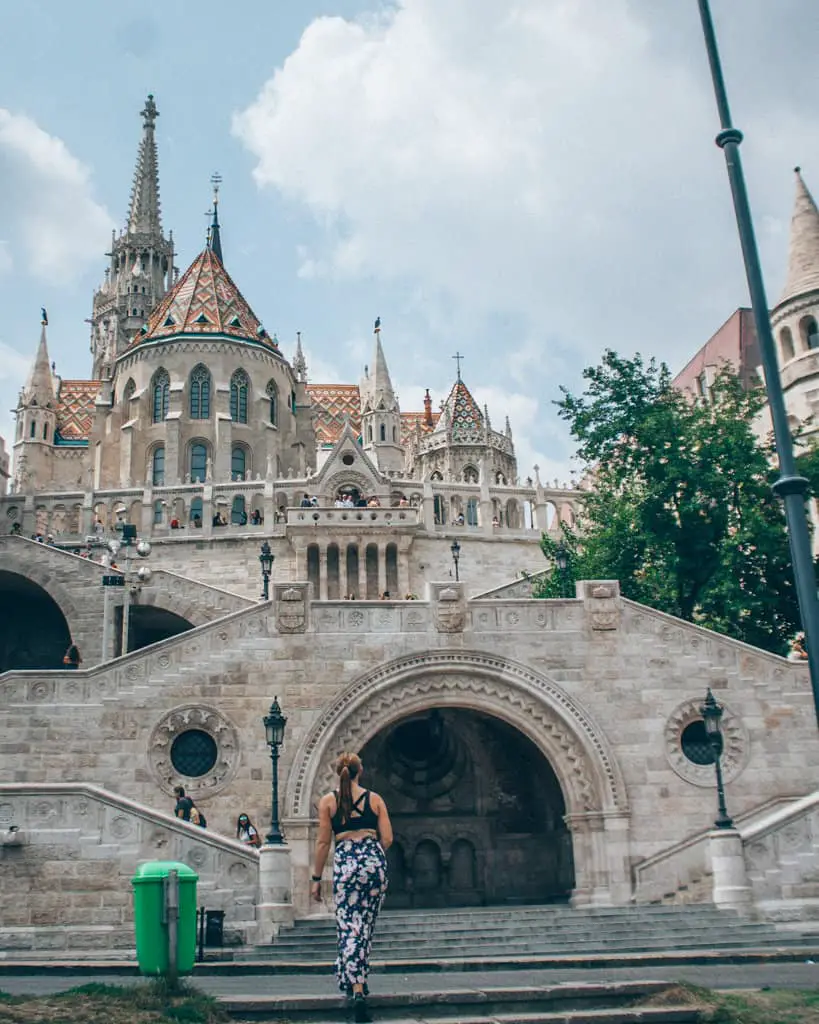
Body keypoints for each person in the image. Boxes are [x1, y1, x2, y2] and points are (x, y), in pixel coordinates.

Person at [312, 752, 392, 1022]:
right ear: (361, 771)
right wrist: (371, 855)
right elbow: (388, 838)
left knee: (349, 925)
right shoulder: (375, 799)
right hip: (373, 862)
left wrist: (315, 878)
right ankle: (355, 979)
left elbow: (323, 843)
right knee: (365, 926)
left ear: (339, 773)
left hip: (346, 862)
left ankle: (356, 986)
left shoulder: (328, 802)